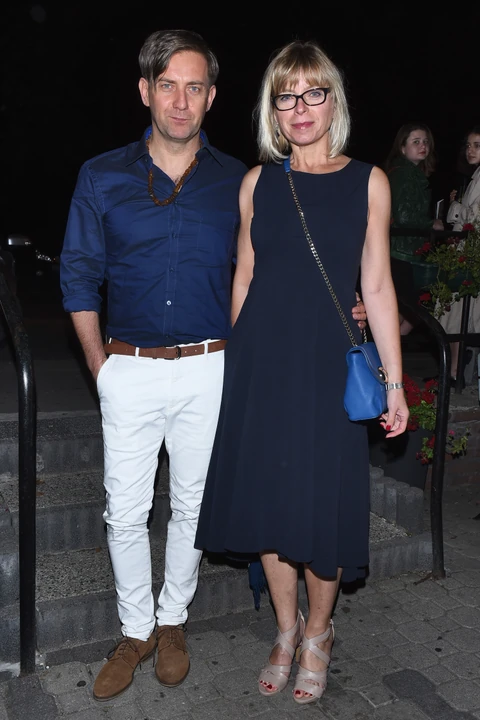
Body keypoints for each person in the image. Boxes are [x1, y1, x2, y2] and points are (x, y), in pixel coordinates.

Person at [59, 29, 367, 702]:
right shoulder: (101, 175)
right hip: (128, 367)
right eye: (168, 85)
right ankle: (135, 630)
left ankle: (173, 622)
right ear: (145, 91)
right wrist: (99, 367)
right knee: (124, 511)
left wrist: (346, 303)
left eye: (194, 87)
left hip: (211, 369)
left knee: (192, 507)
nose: (180, 100)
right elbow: (78, 275)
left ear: (212, 97)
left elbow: (281, 256)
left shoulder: (239, 180)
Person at [194, 39, 409, 706]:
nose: (301, 106)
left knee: (324, 508)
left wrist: (395, 383)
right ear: (274, 110)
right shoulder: (257, 183)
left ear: (333, 101)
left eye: (314, 92)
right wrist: (234, 365)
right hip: (262, 364)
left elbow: (377, 285)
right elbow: (245, 275)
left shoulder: (369, 181)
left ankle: (320, 633)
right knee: (268, 502)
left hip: (326, 368)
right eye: (286, 96)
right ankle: (285, 631)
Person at [384, 122, 444, 335]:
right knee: (412, 309)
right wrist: (432, 223)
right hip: (402, 252)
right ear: (402, 148)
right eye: (416, 142)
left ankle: (391, 354)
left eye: (426, 142)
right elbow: (404, 217)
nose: (423, 146)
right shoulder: (405, 174)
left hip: (401, 251)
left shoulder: (407, 173)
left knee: (403, 314)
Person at [440, 125, 480, 383]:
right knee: (455, 311)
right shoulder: (475, 177)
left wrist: (456, 207)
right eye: (468, 145)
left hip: (470, 255)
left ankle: (456, 372)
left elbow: (475, 218)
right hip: (465, 253)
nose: (470, 150)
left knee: (458, 310)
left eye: (477, 145)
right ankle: (455, 371)